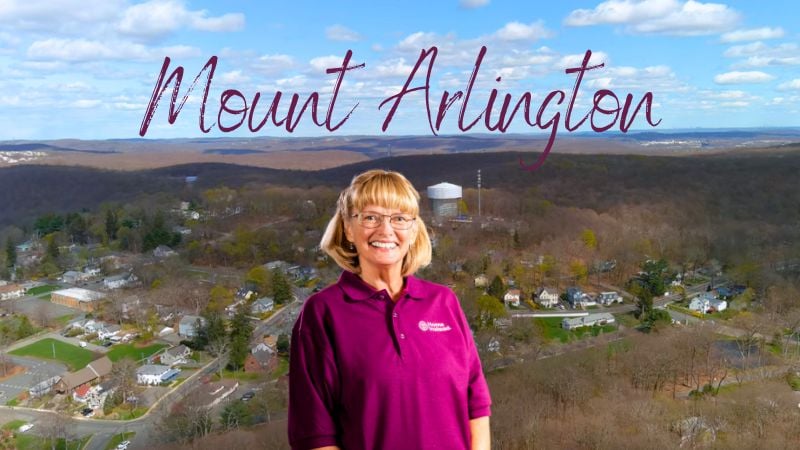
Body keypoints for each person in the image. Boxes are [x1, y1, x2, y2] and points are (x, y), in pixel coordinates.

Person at [289, 169, 491, 450]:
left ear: (413, 228)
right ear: (348, 227)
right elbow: (314, 434)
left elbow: (477, 405)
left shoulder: (443, 302)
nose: (386, 231)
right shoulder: (323, 313)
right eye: (371, 217)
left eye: (399, 219)